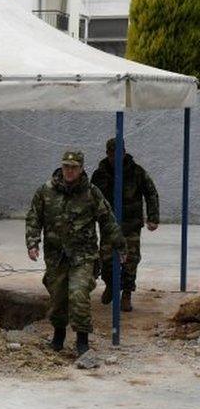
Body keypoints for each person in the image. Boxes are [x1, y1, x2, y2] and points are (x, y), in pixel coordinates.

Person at [26, 151, 126, 355]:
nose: (69, 171)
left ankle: (82, 341)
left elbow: (107, 220)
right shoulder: (46, 191)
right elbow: (34, 217)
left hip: (83, 256)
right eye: (66, 167)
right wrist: (32, 242)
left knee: (78, 294)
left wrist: (120, 245)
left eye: (74, 167)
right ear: (61, 167)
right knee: (58, 297)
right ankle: (59, 336)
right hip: (56, 256)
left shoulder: (91, 192)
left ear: (81, 169)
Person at [90, 138, 160, 312]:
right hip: (109, 225)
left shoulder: (137, 172)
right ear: (107, 154)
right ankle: (111, 285)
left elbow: (151, 193)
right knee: (105, 260)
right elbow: (90, 199)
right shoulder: (100, 174)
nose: (115, 157)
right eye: (112, 153)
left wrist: (153, 217)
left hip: (131, 224)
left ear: (124, 152)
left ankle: (127, 293)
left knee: (130, 260)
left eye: (119, 153)